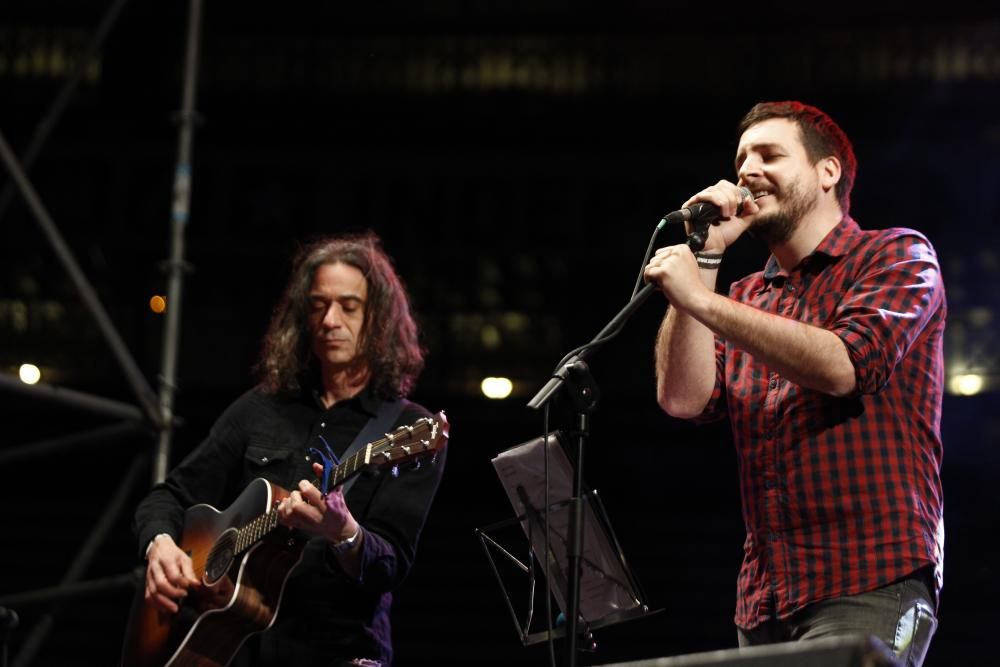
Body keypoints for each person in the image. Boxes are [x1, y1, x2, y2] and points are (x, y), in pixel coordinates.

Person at [643, 101, 944, 666]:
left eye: (770, 155)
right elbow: (682, 399)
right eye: (742, 159)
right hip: (766, 598)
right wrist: (705, 261)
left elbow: (844, 367)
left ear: (827, 172)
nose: (747, 171)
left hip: (872, 576)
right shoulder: (744, 296)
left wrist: (701, 300)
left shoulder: (897, 254)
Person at [131, 231, 447, 666]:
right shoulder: (261, 407)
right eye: (317, 305)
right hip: (233, 650)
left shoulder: (410, 428)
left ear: (380, 319)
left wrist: (344, 533)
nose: (329, 320)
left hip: (336, 654)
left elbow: (389, 565)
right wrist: (161, 545)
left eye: (348, 307)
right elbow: (168, 496)